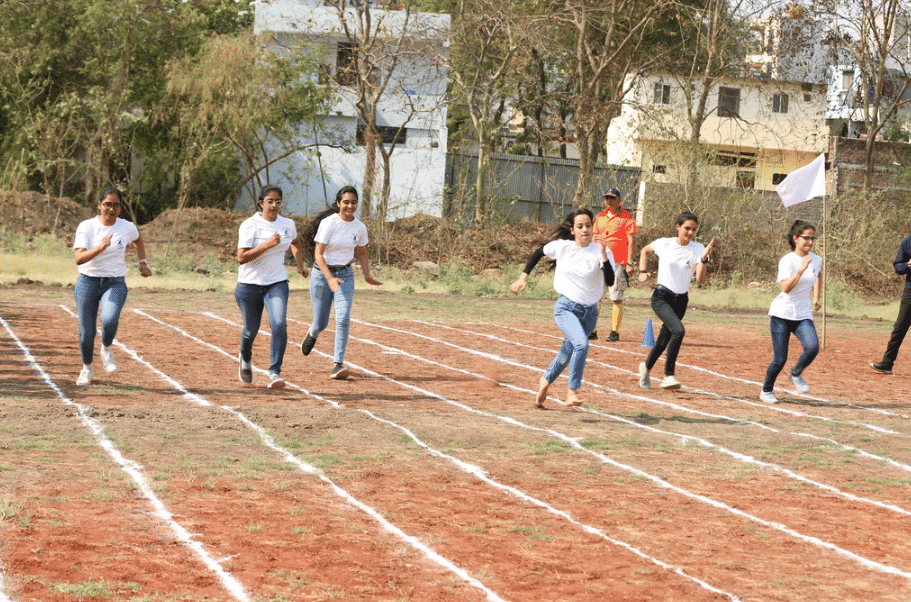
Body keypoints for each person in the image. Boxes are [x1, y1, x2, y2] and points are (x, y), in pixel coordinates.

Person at [510, 208, 615, 409]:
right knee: (582, 345)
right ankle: (572, 390)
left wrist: (603, 256)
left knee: (568, 352)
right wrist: (523, 277)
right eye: (580, 226)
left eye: (588, 225)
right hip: (566, 309)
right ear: (572, 229)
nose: (585, 229)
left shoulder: (601, 251)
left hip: (590, 313)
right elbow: (538, 252)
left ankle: (545, 380)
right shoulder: (562, 247)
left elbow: (610, 281)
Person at [73, 186, 152, 386]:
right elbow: (79, 258)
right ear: (100, 205)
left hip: (115, 281)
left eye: (116, 205)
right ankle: (87, 368)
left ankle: (106, 349)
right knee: (87, 332)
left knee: (109, 319)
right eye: (108, 204)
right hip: (88, 281)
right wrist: (101, 247)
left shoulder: (126, 227)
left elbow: (138, 240)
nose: (111, 209)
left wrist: (142, 262)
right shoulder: (87, 227)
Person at [300, 186, 381, 379]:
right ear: (338, 203)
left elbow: (361, 252)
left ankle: (338, 364)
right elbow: (318, 255)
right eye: (346, 202)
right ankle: (313, 333)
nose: (349, 206)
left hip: (345, 274)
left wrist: (367, 276)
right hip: (322, 274)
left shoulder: (359, 227)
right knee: (321, 323)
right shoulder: (329, 223)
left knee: (343, 318)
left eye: (353, 202)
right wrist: (329, 278)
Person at [235, 185, 308, 390]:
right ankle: (245, 357)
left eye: (278, 201)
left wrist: (299, 265)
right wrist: (267, 244)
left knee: (278, 323)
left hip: (276, 282)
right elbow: (241, 258)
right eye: (270, 201)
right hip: (249, 285)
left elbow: (295, 242)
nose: (274, 205)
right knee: (250, 330)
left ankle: (274, 373)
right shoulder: (250, 225)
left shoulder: (288, 224)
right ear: (261, 203)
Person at [637, 211, 714, 390]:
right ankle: (668, 375)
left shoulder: (698, 248)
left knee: (665, 339)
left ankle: (646, 369)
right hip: (661, 297)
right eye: (687, 228)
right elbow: (644, 251)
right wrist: (642, 271)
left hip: (681, 300)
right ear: (678, 227)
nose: (690, 233)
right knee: (678, 330)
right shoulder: (665, 243)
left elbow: (701, 279)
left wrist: (704, 259)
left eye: (694, 230)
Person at [759, 220, 823, 403]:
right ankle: (766, 390)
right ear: (795, 238)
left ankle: (796, 373)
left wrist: (816, 297)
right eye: (806, 238)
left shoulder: (816, 259)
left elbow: (818, 274)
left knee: (812, 347)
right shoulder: (787, 260)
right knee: (780, 359)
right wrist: (800, 270)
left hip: (802, 313)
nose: (810, 242)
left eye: (813, 238)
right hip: (782, 314)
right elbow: (786, 287)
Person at [591, 187, 637, 342]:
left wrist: (630, 263)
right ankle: (592, 330)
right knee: (595, 296)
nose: (608, 201)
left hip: (618, 262)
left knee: (616, 297)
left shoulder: (627, 218)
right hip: (600, 260)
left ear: (619, 200)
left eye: (612, 198)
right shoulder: (600, 217)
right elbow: (594, 238)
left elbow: (631, 242)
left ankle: (614, 332)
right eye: (606, 198)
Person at [870, 233, 911, 375]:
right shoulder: (907, 242)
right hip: (910, 292)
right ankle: (887, 363)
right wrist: (907, 265)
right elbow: (898, 266)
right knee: (899, 328)